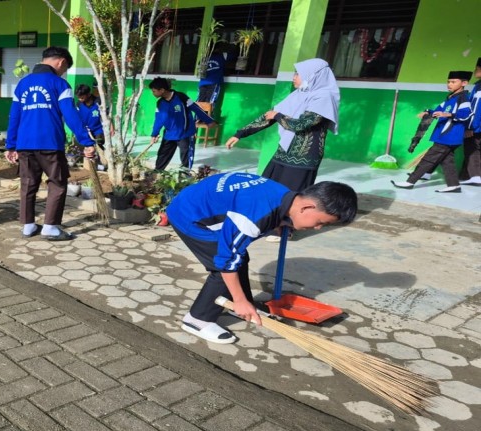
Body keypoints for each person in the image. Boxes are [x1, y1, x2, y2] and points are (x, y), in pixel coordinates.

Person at [167, 172, 357, 343]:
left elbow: (265, 214)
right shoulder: (253, 216)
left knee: (239, 259)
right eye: (320, 222)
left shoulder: (286, 197)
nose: (318, 228)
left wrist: (281, 221)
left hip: (202, 202)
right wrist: (239, 299)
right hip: (189, 216)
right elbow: (226, 261)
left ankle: (242, 307)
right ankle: (198, 319)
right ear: (307, 206)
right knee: (223, 268)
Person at [5, 46, 96, 241]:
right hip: (50, 144)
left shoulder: (22, 84)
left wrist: (10, 145)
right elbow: (71, 116)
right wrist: (86, 141)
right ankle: (50, 227)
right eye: (65, 68)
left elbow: (14, 116)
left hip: (25, 144)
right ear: (61, 62)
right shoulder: (60, 84)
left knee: (28, 184)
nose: (63, 72)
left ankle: (28, 226)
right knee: (57, 183)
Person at [226, 58, 340, 193]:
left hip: (304, 157)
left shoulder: (324, 97)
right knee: (267, 190)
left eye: (298, 74)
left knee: (290, 197)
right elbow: (268, 116)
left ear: (313, 75)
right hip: (283, 153)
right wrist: (240, 134)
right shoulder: (298, 94)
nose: (294, 77)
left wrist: (278, 116)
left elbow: (301, 124)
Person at [392, 70, 472, 193]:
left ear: (464, 83)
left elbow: (466, 114)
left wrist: (448, 114)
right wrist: (428, 112)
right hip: (444, 136)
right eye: (448, 82)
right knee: (447, 161)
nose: (449, 84)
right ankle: (454, 185)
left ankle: (410, 182)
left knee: (428, 159)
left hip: (449, 136)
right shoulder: (450, 98)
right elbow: (437, 110)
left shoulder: (463, 99)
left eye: (453, 82)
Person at [149, 77, 214, 171]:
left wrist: (209, 121)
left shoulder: (182, 97)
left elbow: (196, 108)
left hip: (185, 134)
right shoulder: (160, 103)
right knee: (162, 156)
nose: (153, 93)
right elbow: (158, 120)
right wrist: (154, 134)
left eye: (154, 91)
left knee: (186, 158)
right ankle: (157, 173)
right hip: (169, 135)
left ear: (162, 90)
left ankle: (186, 175)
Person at [459, 58, 481, 186]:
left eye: (477, 69)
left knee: (472, 149)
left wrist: (471, 127)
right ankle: (466, 175)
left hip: (476, 127)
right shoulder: (477, 85)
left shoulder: (479, 88)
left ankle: (476, 176)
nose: (474, 71)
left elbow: (477, 109)